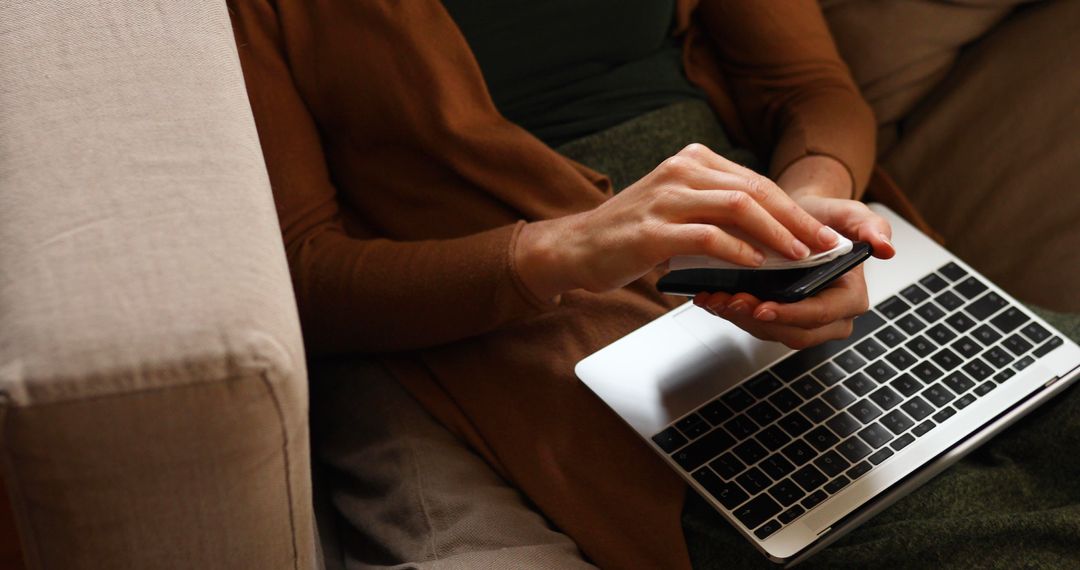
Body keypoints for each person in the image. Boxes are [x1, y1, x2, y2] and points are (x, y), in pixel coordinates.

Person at [227, 1, 899, 568]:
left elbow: (811, 85)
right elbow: (300, 270)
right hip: (530, 295)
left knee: (986, 433)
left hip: (755, 230)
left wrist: (806, 210)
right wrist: (564, 249)